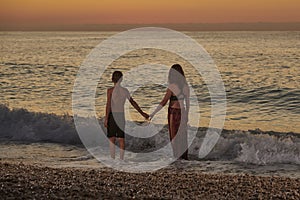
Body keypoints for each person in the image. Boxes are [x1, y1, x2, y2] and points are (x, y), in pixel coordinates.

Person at [104, 71, 149, 160]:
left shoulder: (110, 91)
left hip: (113, 115)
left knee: (112, 138)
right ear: (121, 79)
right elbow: (133, 102)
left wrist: (106, 118)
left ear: (112, 79)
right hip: (121, 116)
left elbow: (108, 104)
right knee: (121, 138)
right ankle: (121, 159)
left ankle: (112, 158)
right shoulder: (125, 91)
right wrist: (142, 113)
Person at [150, 64, 190, 160]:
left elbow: (163, 102)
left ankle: (176, 157)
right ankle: (184, 158)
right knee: (182, 137)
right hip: (182, 112)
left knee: (174, 137)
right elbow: (188, 103)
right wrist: (186, 115)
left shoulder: (172, 87)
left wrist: (153, 113)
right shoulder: (186, 86)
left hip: (173, 113)